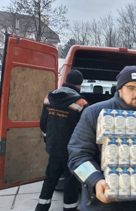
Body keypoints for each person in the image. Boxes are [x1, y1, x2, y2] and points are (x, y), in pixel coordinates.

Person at [67, 66, 136, 211]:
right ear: (119, 89)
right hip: (104, 205)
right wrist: (95, 181)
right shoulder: (94, 114)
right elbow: (77, 157)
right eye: (131, 88)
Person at [36, 69, 88, 211]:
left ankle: (41, 207)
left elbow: (43, 123)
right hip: (71, 150)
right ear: (79, 84)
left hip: (53, 147)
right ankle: (69, 208)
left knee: (50, 179)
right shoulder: (81, 103)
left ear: (66, 81)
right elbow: (84, 130)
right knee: (70, 181)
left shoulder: (49, 97)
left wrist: (50, 139)